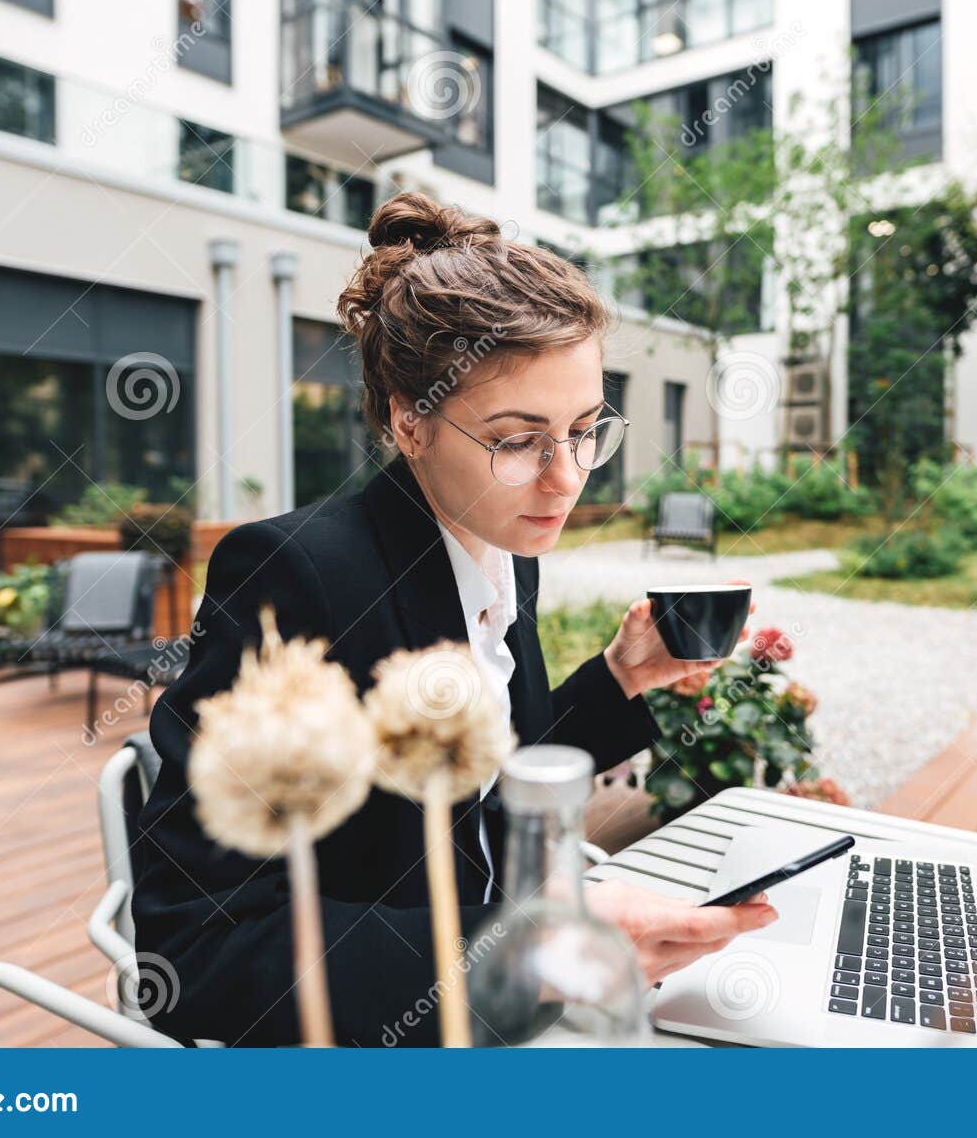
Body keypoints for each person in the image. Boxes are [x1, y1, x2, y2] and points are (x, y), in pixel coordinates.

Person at [133, 192, 776, 1047]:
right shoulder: (301, 579)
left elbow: (487, 776)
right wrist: (531, 952)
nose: (565, 477)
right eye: (519, 440)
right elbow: (196, 945)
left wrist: (623, 677)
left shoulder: (500, 544)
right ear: (410, 418)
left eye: (586, 430)